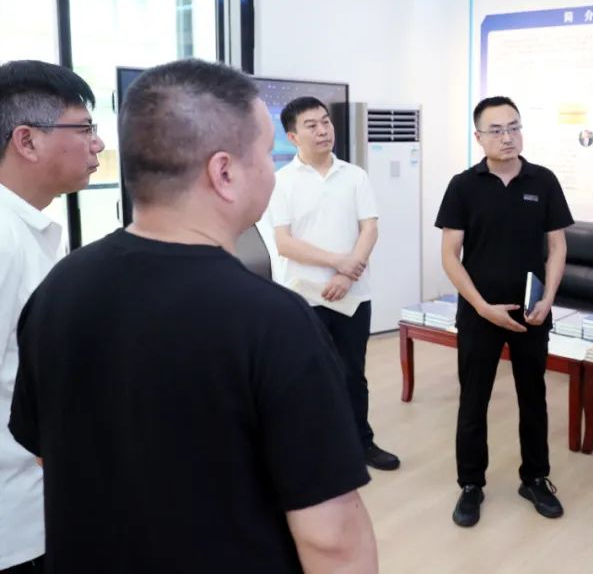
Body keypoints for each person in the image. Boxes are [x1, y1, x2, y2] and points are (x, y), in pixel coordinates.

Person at [8, 60, 377, 573]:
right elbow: (331, 538)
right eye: (266, 154)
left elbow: (47, 451)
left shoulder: (59, 288)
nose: (272, 171)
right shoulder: (274, 322)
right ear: (224, 173)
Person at [435, 95, 573, 528]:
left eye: (513, 127)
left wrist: (548, 299)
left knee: (534, 397)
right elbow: (450, 255)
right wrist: (481, 307)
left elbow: (557, 247)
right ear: (479, 137)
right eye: (496, 130)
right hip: (480, 313)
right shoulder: (463, 185)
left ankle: (535, 478)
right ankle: (470, 484)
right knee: (473, 400)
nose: (507, 137)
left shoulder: (543, 181)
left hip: (532, 313)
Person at [0, 61, 103, 573]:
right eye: (83, 129)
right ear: (27, 140)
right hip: (13, 518)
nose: (97, 144)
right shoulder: (4, 239)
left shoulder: (28, 230)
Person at [269, 96, 399, 472]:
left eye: (325, 122)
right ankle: (315, 450)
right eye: (311, 125)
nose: (323, 130)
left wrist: (345, 274)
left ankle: (361, 443)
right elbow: (284, 243)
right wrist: (336, 262)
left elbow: (369, 229)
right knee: (307, 378)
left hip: (352, 295)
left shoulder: (354, 176)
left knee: (352, 374)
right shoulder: (281, 182)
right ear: (293, 137)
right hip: (302, 297)